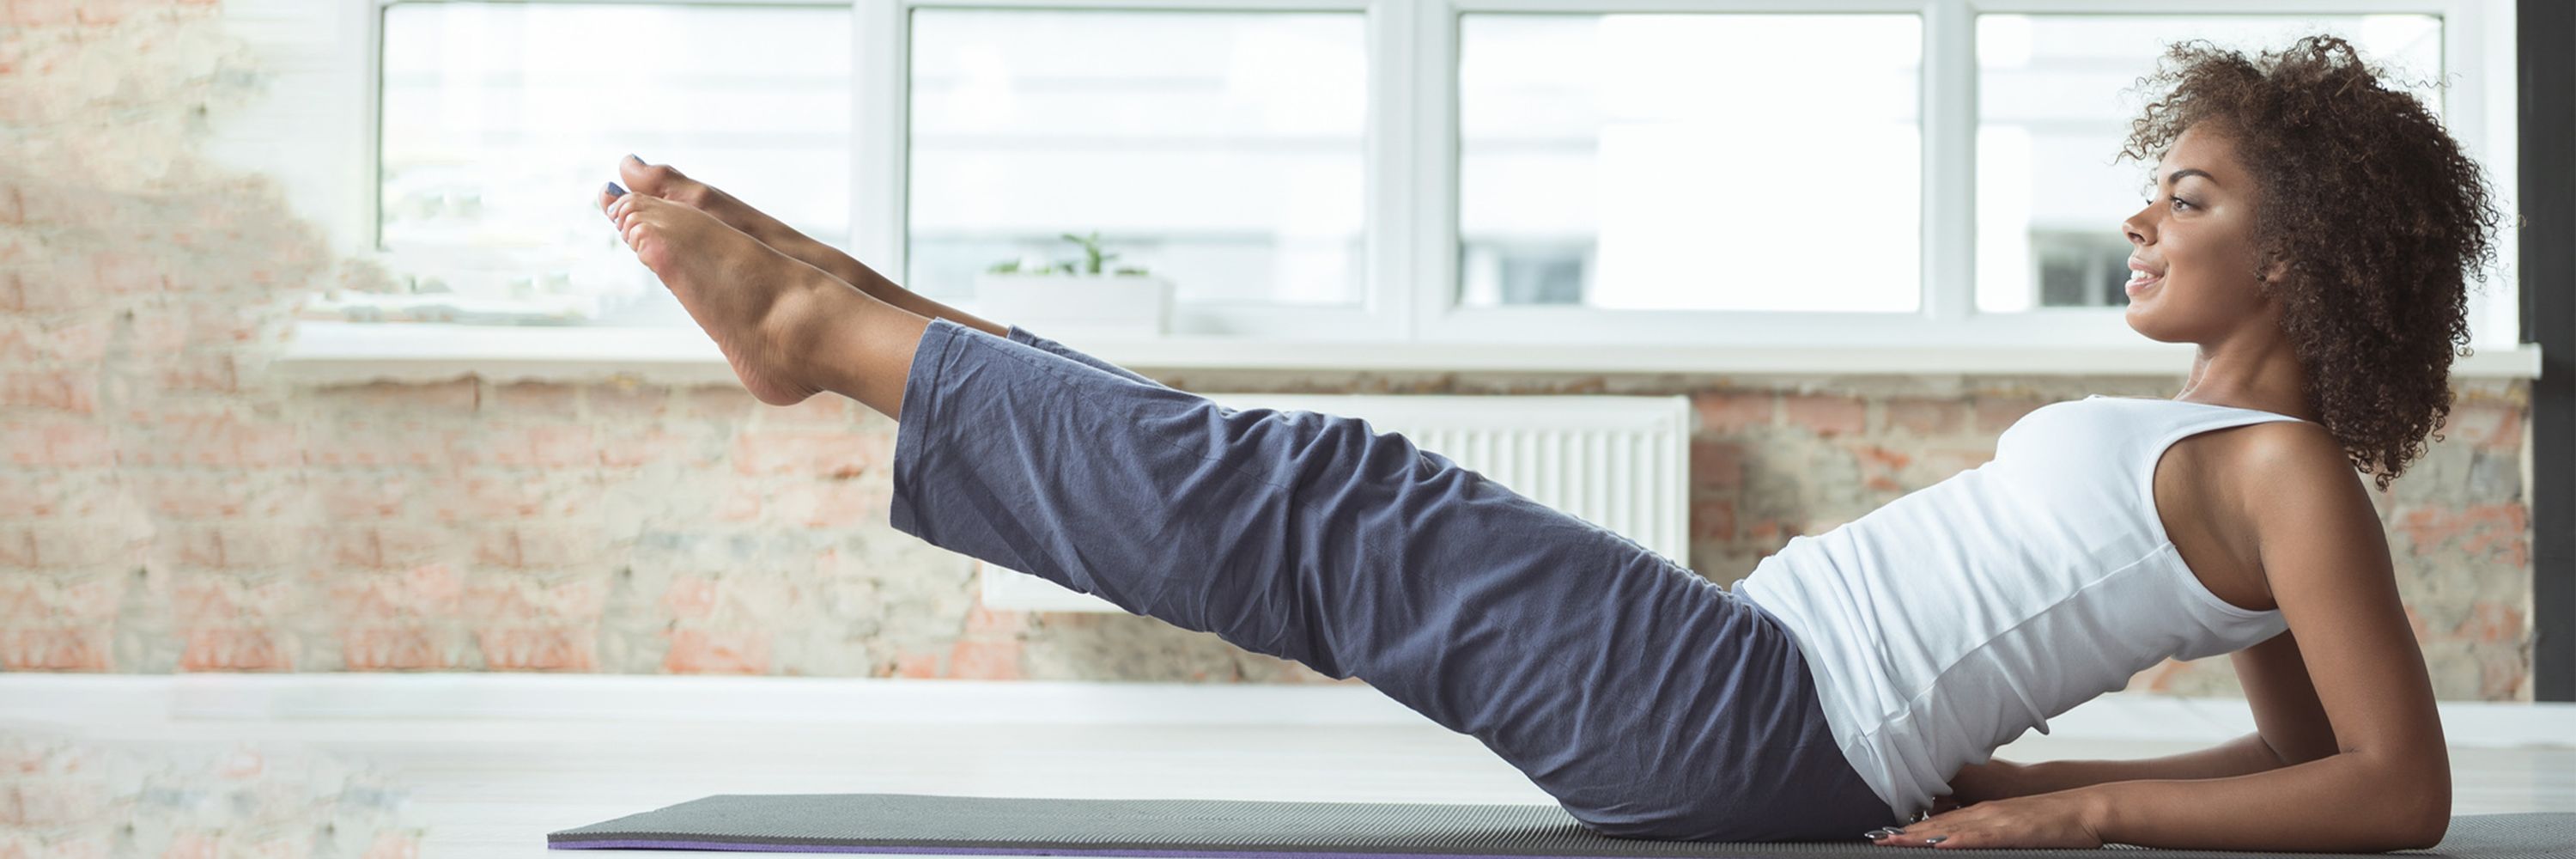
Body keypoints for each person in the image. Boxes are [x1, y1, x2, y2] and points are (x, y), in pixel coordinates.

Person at [591, 33, 2494, 851]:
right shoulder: (2226, 450)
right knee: (1299, 484)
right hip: (1753, 692)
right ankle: (860, 320)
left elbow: (2386, 787)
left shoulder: (2283, 470)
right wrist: (1985, 764)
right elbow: (2302, 756)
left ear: (2307, 245)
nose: (2146, 222)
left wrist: (2077, 808)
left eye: (2189, 194)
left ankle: (828, 333)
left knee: (1326, 503)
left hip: (1746, 713)